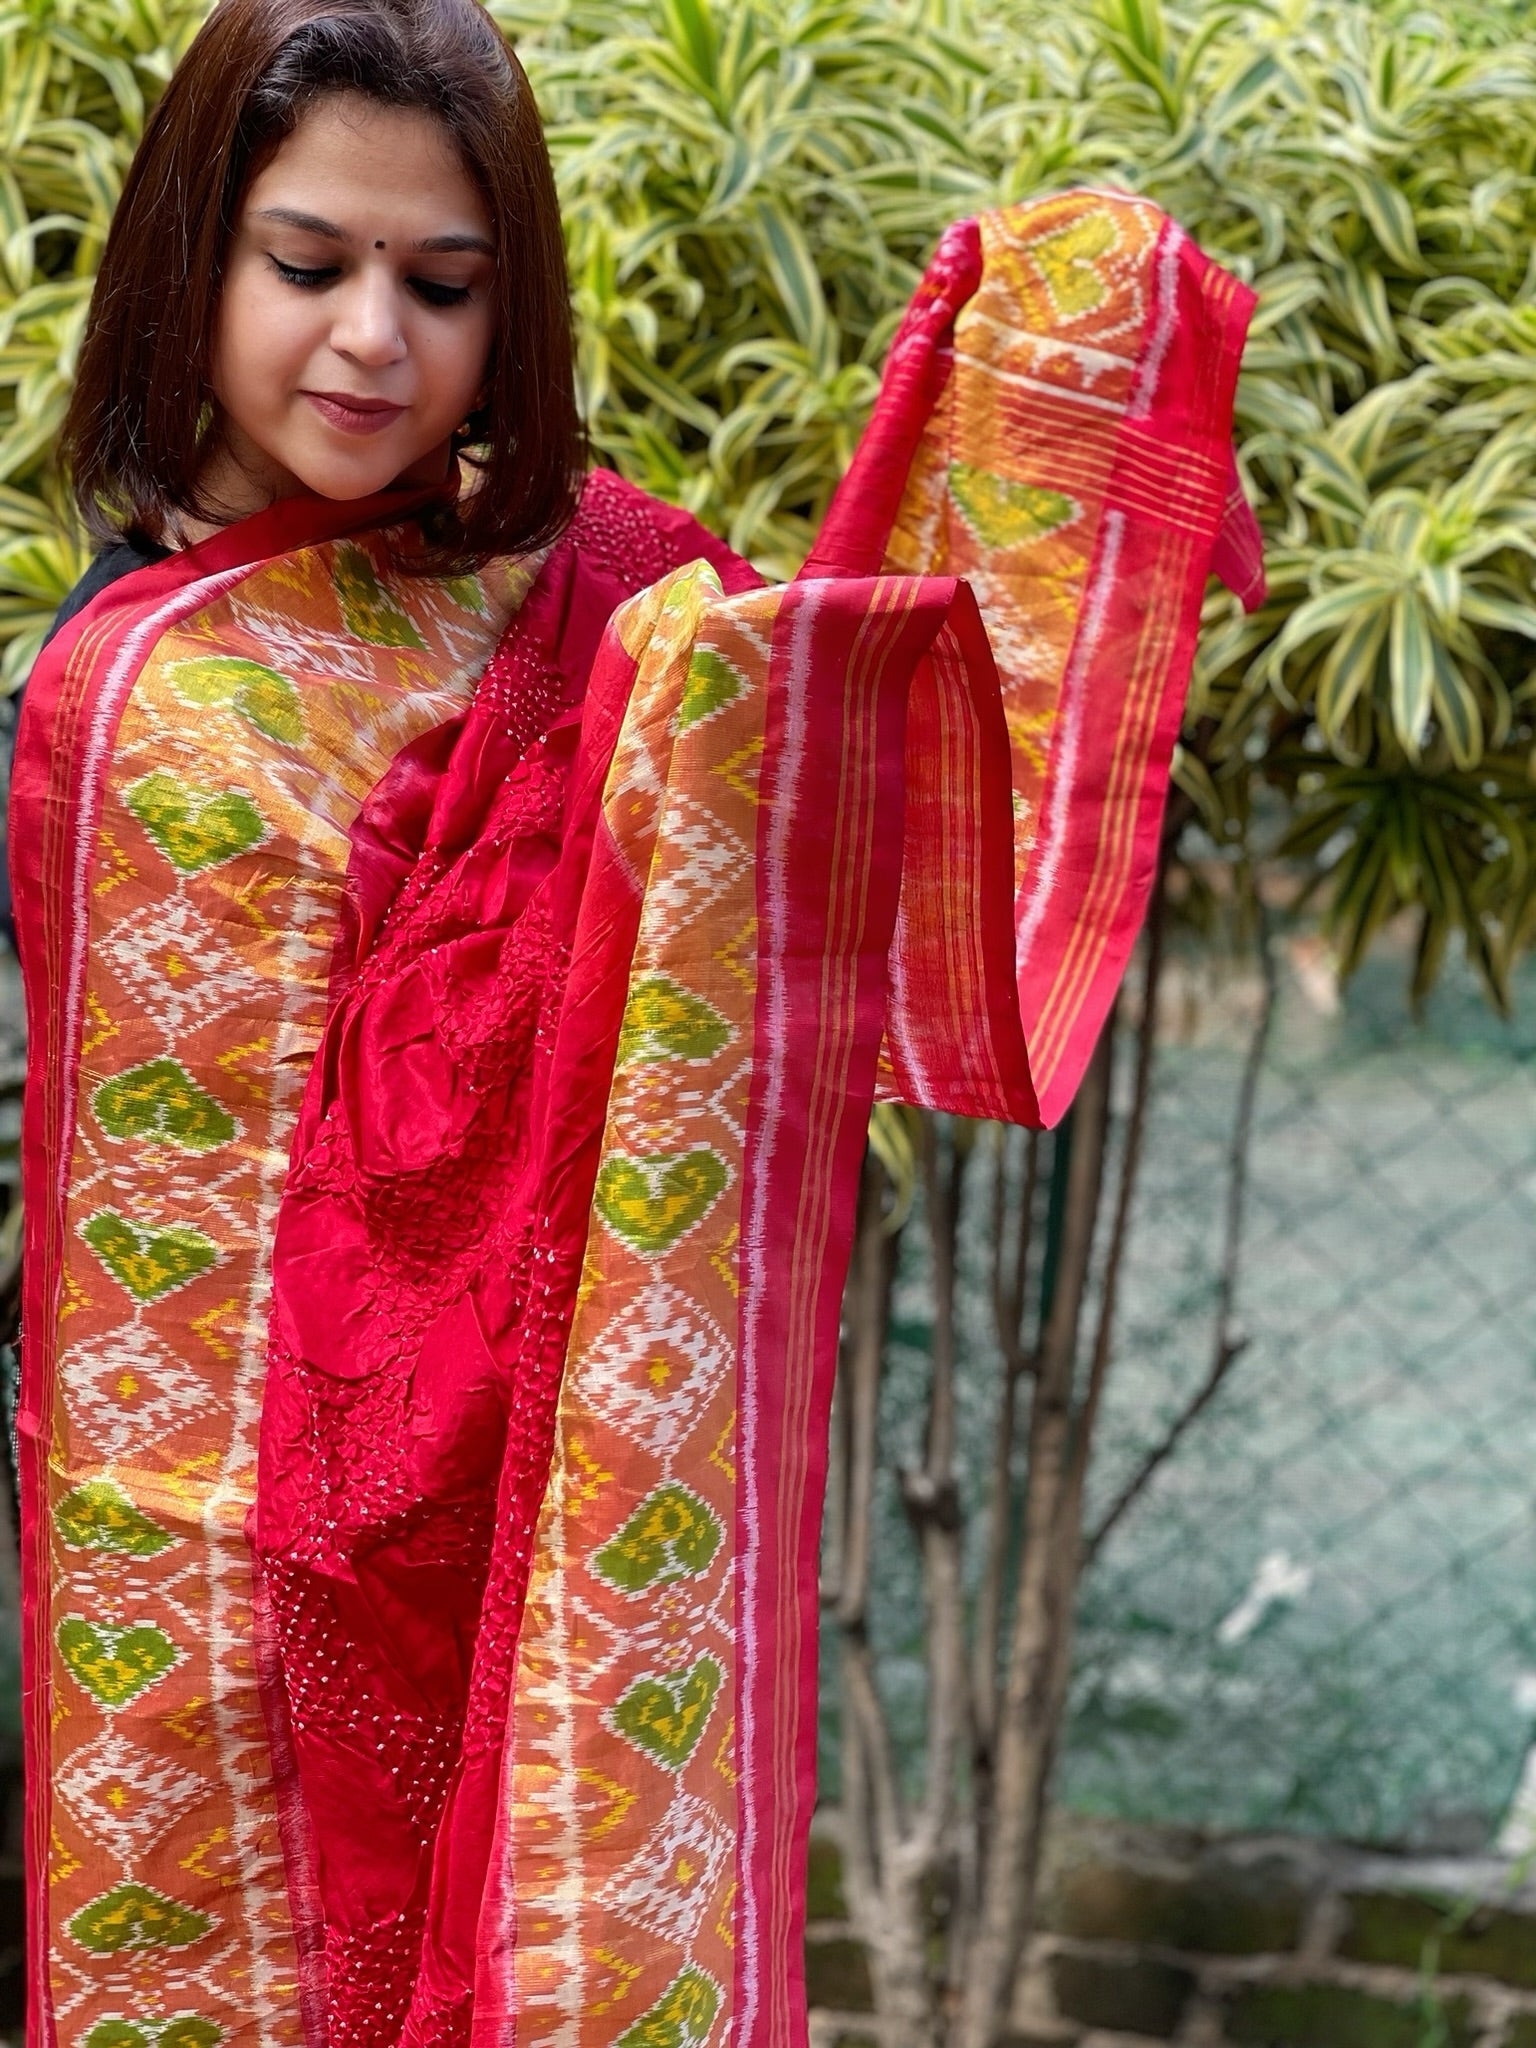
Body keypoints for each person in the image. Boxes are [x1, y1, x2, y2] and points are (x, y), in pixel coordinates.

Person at [8, 1, 1263, 2044]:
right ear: (187, 262)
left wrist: (1021, 448)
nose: (372, 346)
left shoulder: (590, 583)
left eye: (444, 287)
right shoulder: (122, 692)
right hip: (206, 1591)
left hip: (524, 1495)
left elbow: (779, 847)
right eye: (307, 266)